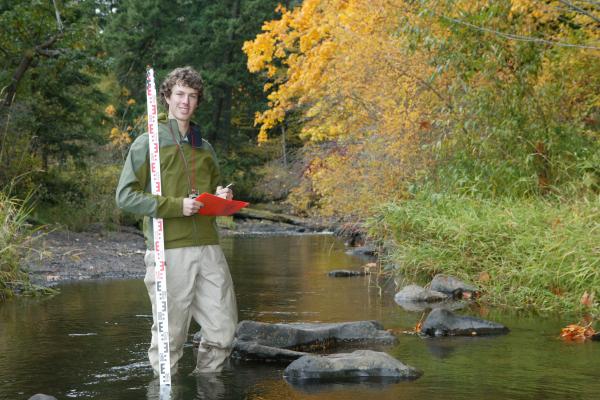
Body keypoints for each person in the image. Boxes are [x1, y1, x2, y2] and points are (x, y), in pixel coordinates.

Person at [115, 66, 237, 376]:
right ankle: (166, 391)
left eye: (192, 96)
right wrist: (174, 206)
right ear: (167, 96)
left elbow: (207, 195)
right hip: (169, 249)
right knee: (171, 337)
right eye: (180, 94)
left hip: (209, 247)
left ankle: (209, 388)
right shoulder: (149, 143)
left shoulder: (204, 147)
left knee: (223, 330)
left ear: (198, 101)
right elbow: (125, 197)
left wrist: (220, 197)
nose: (186, 101)